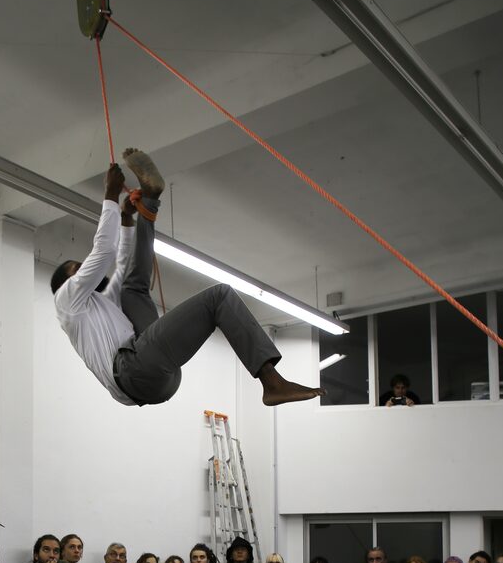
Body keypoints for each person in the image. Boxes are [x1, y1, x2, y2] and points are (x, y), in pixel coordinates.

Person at [51, 151, 320, 410]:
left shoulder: (98, 305)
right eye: (76, 270)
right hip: (136, 373)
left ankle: (150, 204)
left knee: (132, 289)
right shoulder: (66, 302)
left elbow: (124, 267)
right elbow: (104, 251)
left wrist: (126, 218)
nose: (83, 271)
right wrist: (110, 194)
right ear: (64, 286)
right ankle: (272, 384)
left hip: (157, 374)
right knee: (219, 296)